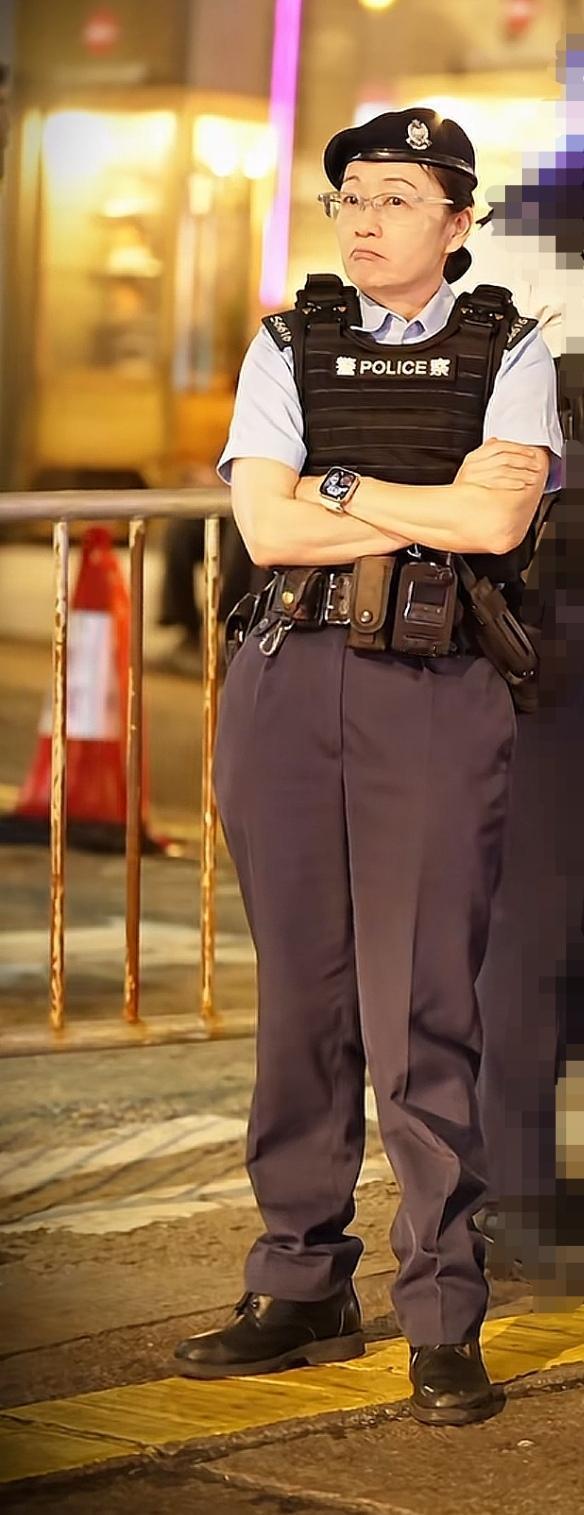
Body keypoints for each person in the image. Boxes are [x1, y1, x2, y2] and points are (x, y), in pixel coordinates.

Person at [174, 107, 562, 1426]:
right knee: (302, 1001)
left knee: (424, 1010)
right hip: (286, 678)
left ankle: (443, 1313)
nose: (364, 217)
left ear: (459, 220)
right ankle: (299, 1284)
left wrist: (332, 486)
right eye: (350, 195)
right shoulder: (288, 341)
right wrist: (405, 501)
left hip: (439, 686)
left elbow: (495, 519)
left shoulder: (511, 345)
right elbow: (265, 528)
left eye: (398, 196)